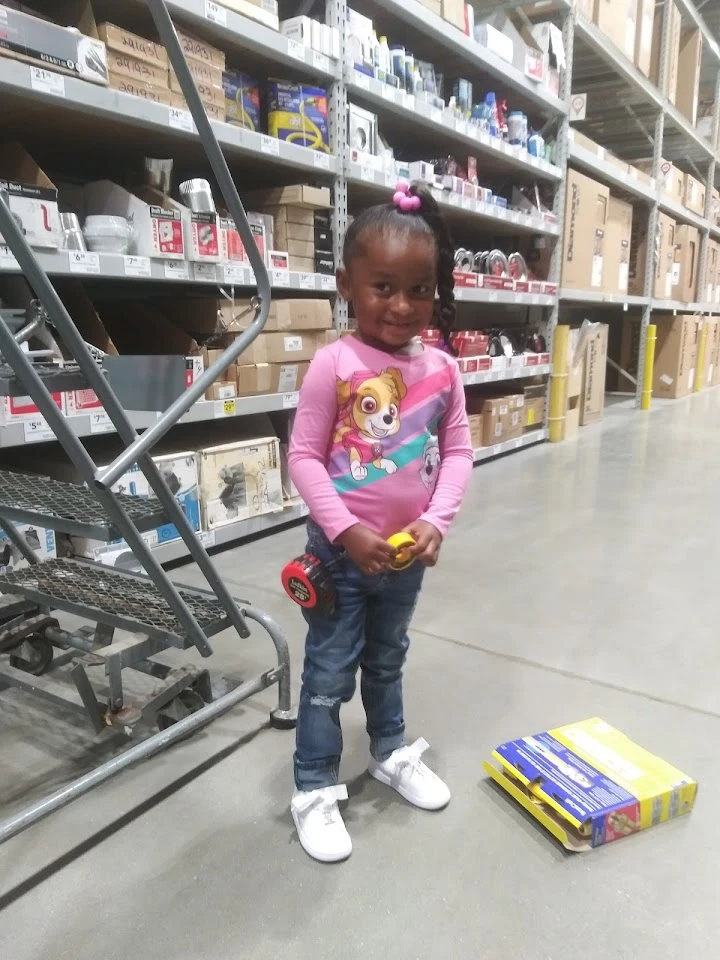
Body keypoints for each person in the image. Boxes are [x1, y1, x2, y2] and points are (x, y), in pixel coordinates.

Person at [287, 180, 473, 862]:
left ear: (435, 288)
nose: (401, 306)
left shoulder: (445, 371)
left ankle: (390, 750)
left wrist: (437, 521)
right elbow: (304, 459)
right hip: (341, 556)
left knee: (389, 658)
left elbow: (456, 454)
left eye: (418, 289)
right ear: (347, 285)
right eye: (382, 287)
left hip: (402, 557)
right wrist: (344, 531)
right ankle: (311, 786)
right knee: (330, 671)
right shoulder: (333, 365)